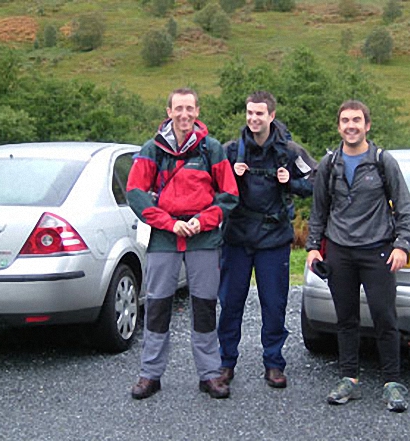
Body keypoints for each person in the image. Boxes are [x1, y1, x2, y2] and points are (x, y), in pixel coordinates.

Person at [126, 88, 239, 400]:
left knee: (204, 307)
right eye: (179, 108)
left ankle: (209, 374)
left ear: (197, 111)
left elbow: (229, 194)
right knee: (158, 306)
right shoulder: (153, 149)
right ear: (169, 110)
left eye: (189, 108)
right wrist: (169, 222)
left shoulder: (211, 149)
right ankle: (150, 374)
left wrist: (201, 221)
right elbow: (135, 191)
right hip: (164, 238)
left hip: (204, 238)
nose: (184, 115)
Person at [305, 99, 410, 412]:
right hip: (340, 251)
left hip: (378, 250)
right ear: (339, 126)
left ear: (367, 125)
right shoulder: (329, 163)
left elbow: (404, 206)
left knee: (384, 316)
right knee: (346, 319)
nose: (350, 125)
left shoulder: (383, 161)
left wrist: (401, 245)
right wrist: (313, 246)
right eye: (345, 120)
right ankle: (348, 380)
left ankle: (392, 383)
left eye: (356, 120)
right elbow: (319, 210)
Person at [217, 91, 316, 390]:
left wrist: (291, 182)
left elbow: (315, 182)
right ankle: (225, 363)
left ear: (271, 116)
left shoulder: (290, 151)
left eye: (259, 113)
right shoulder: (231, 150)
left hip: (273, 238)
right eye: (249, 113)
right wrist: (231, 178)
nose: (253, 118)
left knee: (274, 304)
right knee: (230, 303)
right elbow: (211, 187)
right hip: (236, 236)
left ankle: (274, 364)